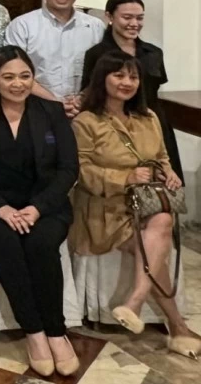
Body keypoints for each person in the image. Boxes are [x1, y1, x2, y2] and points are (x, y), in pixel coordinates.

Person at [0, 45, 80, 377]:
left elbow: (69, 168)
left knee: (41, 243)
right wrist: (1, 208)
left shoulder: (50, 112)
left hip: (44, 204)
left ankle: (57, 331)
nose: (18, 83)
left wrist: (37, 208)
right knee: (7, 243)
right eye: (8, 77)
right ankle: (35, 333)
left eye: (25, 76)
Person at [70, 51, 200, 357]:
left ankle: (136, 303)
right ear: (102, 78)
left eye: (133, 76)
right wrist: (124, 177)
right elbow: (81, 171)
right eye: (119, 75)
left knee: (162, 223)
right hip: (106, 209)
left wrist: (169, 174)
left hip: (149, 203)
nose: (127, 82)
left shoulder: (149, 117)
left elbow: (162, 158)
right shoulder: (86, 122)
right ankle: (176, 326)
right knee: (155, 241)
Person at [80, 0, 182, 182]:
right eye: (127, 17)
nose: (134, 23)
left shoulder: (153, 52)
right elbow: (88, 92)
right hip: (112, 125)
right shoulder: (97, 53)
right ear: (109, 17)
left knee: (164, 185)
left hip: (151, 122)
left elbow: (155, 88)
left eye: (139, 18)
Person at [5, 0, 104, 116]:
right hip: (35, 110)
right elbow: (15, 72)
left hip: (84, 112)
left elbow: (103, 70)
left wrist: (82, 98)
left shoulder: (95, 27)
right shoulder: (22, 25)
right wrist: (55, 102)